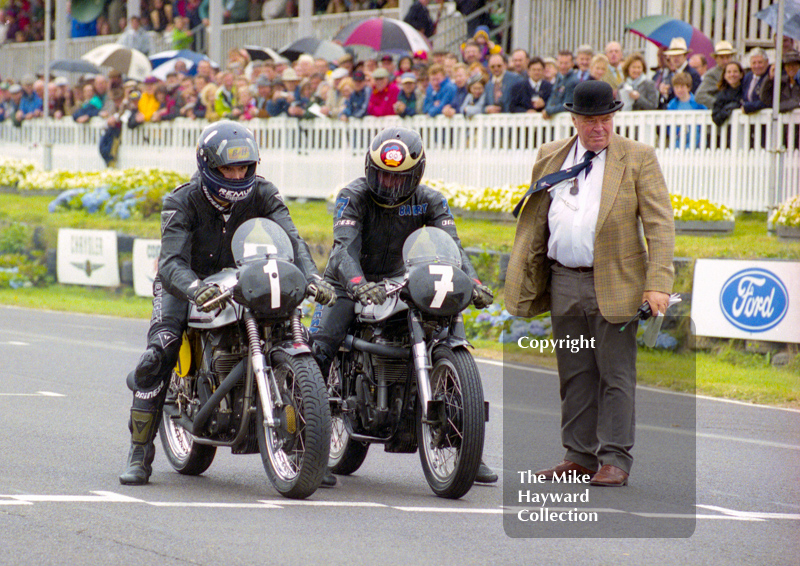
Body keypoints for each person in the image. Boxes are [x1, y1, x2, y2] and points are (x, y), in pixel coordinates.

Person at [118, 121, 336, 486]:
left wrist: (312, 277)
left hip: (249, 277)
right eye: (227, 169)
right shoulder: (181, 200)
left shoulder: (264, 193)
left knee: (305, 345)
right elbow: (171, 262)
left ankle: (309, 451)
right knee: (161, 350)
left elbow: (293, 239)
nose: (237, 175)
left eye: (243, 167)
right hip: (188, 283)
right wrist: (194, 287)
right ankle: (139, 452)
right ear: (208, 166)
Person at [504, 80, 675, 487]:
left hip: (616, 282)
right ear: (575, 120)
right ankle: (578, 456)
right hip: (564, 279)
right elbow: (536, 220)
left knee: (615, 374)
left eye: (607, 119)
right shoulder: (550, 155)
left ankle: (614, 458)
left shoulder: (637, 157)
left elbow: (660, 224)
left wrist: (658, 284)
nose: (600, 128)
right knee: (575, 372)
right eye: (591, 120)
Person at [308, 126, 498, 484]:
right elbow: (344, 247)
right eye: (382, 174)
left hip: (404, 282)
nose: (389, 184)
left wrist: (473, 284)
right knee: (319, 349)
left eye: (398, 177)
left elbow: (453, 247)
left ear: (416, 173)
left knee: (448, 331)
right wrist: (359, 285)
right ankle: (306, 448)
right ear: (369, 168)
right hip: (350, 282)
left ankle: (465, 445)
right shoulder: (353, 196)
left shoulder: (431, 200)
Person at [658, 37, 702, 107]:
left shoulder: (693, 74)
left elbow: (695, 97)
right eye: (673, 56)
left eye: (678, 55)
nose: (675, 58)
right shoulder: (669, 75)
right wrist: (664, 94)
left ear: (685, 56)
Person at [695, 40, 737, 108]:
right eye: (722, 57)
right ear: (715, 58)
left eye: (728, 57)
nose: (725, 61)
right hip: (720, 115)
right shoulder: (712, 74)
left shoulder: (738, 71)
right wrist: (720, 104)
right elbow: (700, 95)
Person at [543, 50, 578, 118]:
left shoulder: (573, 81)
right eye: (560, 63)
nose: (563, 66)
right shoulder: (559, 78)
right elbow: (553, 97)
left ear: (572, 64)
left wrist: (548, 111)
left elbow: (567, 105)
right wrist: (547, 109)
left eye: (566, 63)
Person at [712, 61, 745, 126]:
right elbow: (716, 118)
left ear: (741, 75)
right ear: (725, 76)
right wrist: (727, 110)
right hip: (727, 132)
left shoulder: (746, 90)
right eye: (729, 72)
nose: (732, 74)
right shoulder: (721, 94)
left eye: (735, 71)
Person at [742, 48, 769, 114]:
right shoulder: (747, 77)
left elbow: (768, 101)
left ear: (767, 62)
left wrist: (748, 107)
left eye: (760, 62)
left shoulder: (770, 76)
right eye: (754, 63)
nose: (757, 66)